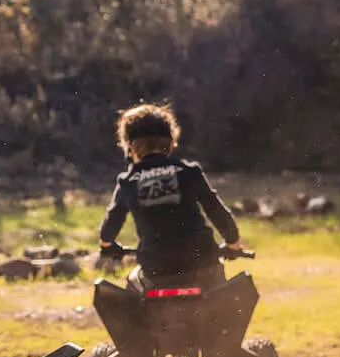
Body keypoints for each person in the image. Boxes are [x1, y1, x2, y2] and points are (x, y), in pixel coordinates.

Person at [98, 103, 242, 292]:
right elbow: (217, 212)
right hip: (203, 266)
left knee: (134, 286)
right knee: (219, 295)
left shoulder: (129, 181)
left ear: (130, 147)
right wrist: (233, 244)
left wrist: (106, 246)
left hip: (156, 271)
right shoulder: (189, 172)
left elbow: (111, 224)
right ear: (171, 141)